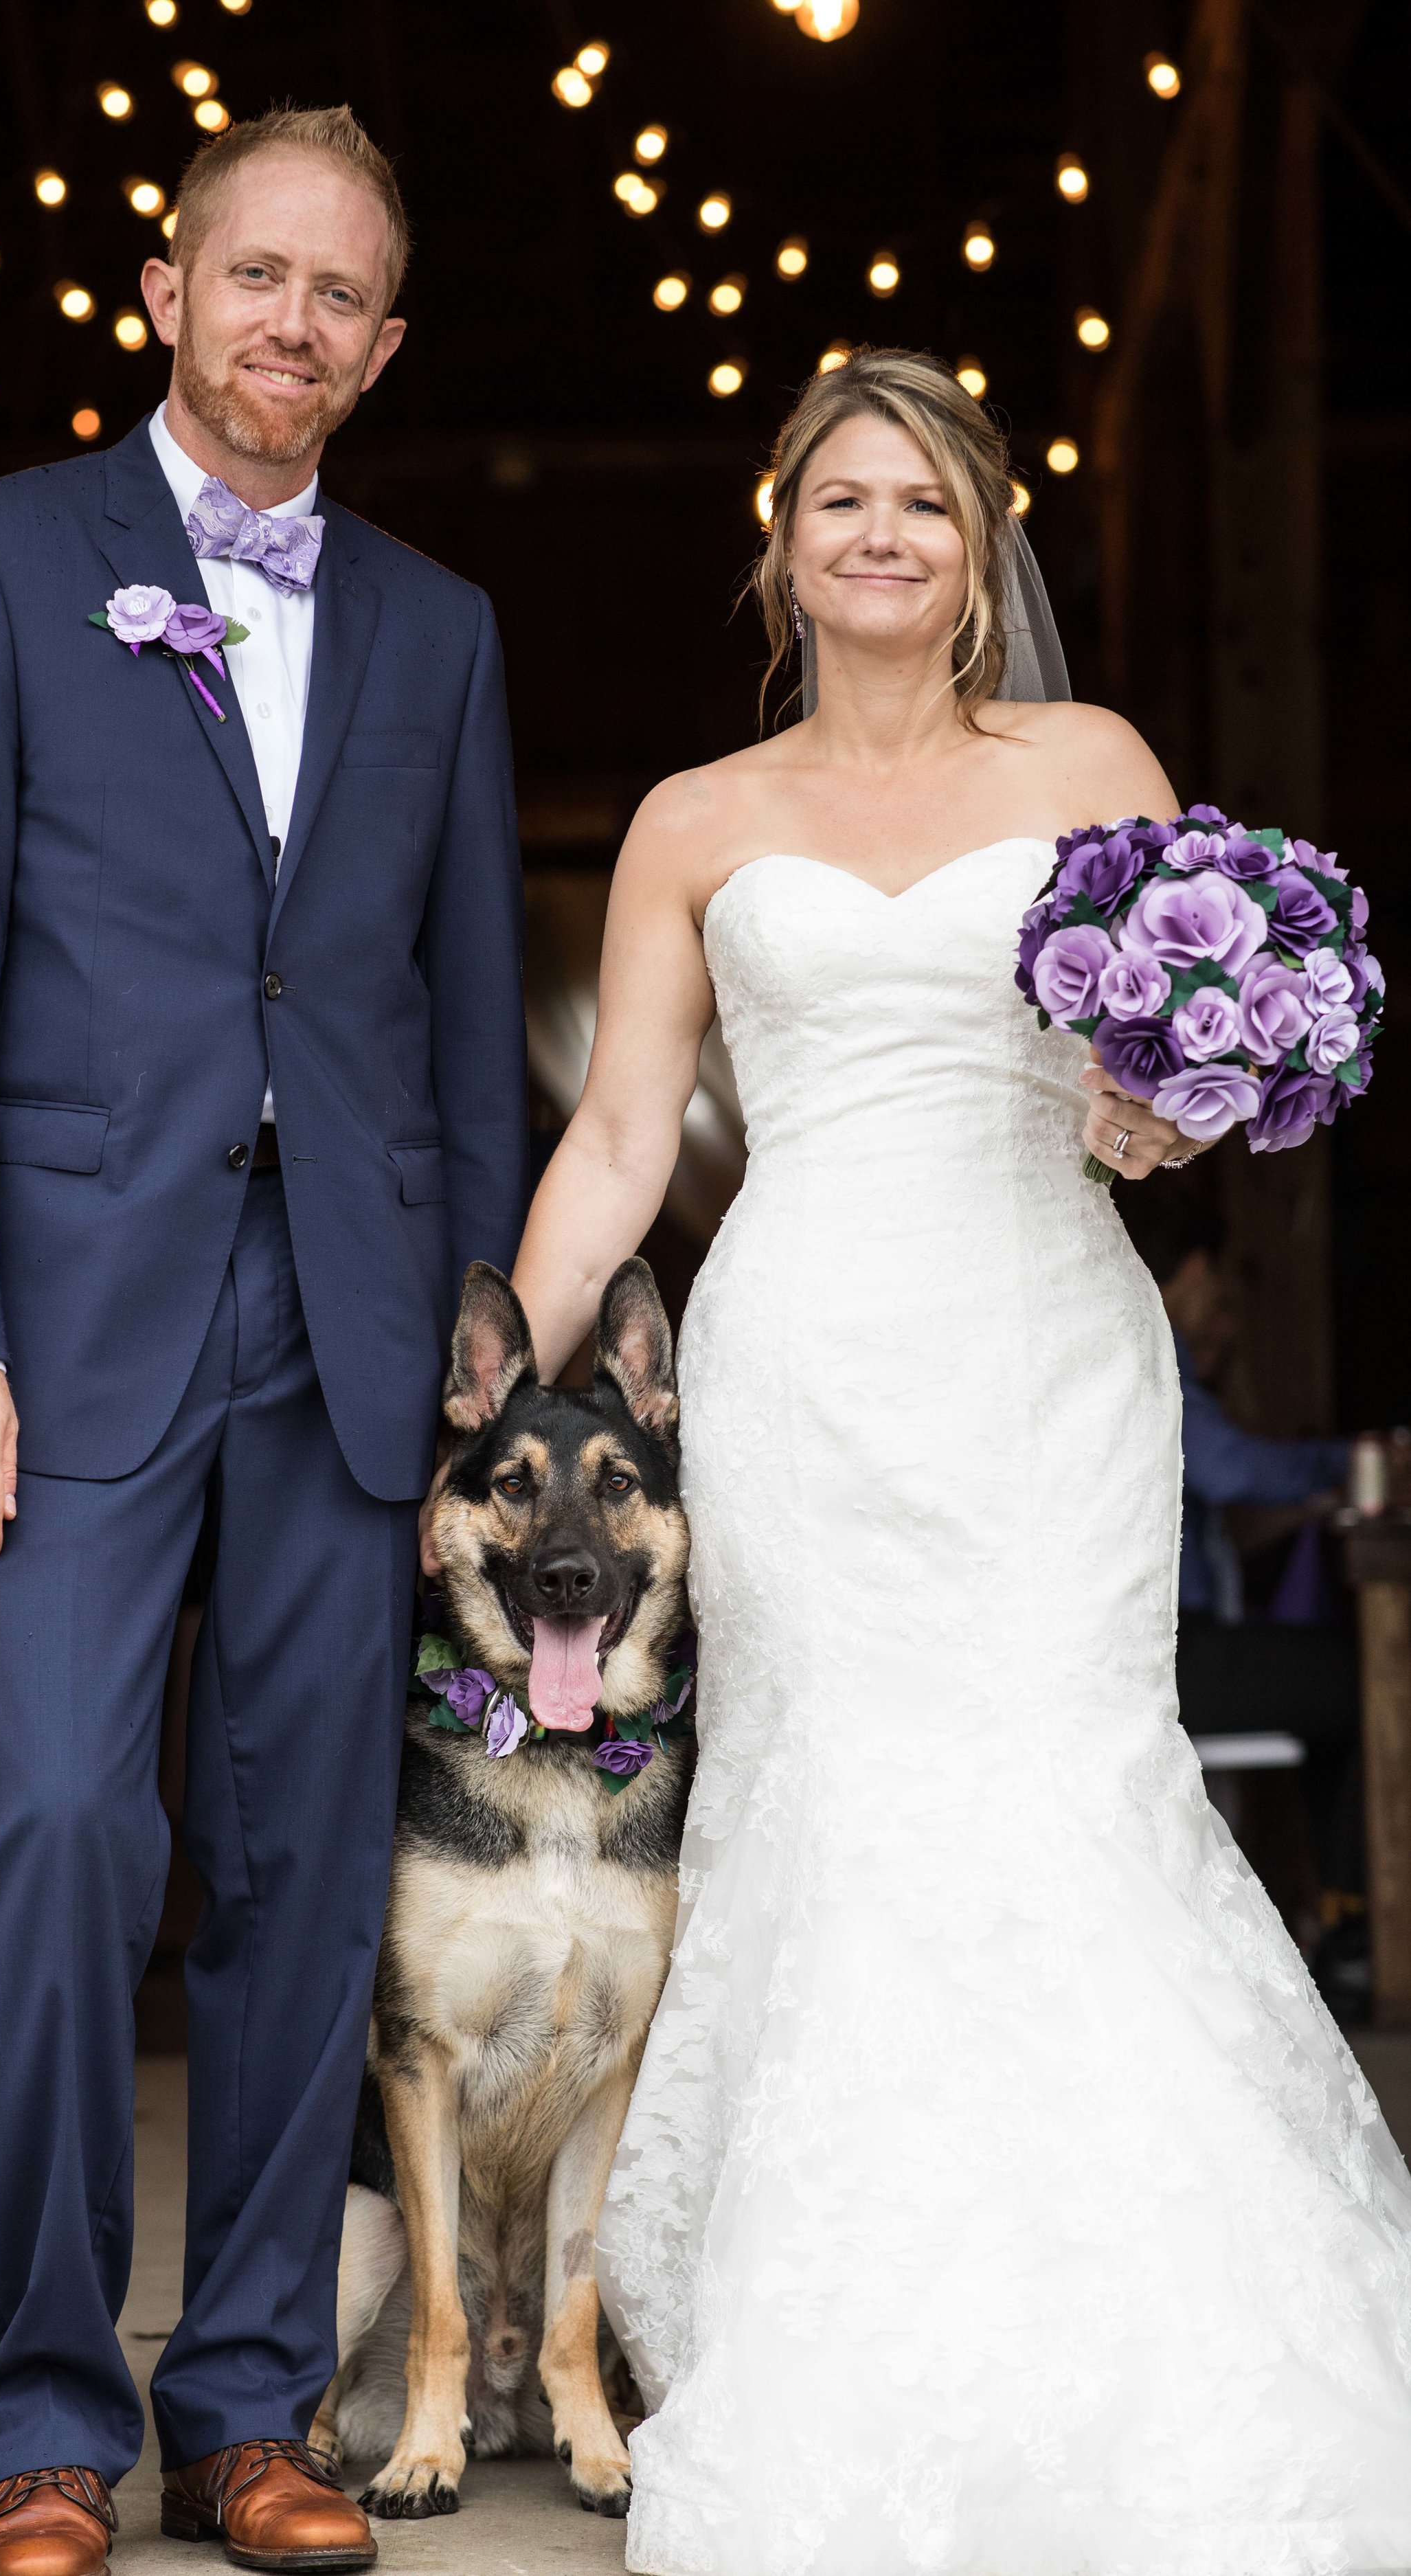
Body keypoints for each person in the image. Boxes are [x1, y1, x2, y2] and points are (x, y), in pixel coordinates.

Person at [509, 348, 1411, 2575]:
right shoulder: (697, 822)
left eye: (925, 501)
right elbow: (625, 1135)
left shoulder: (1091, 762)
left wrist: (1174, 1109)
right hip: (807, 1362)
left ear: (987, 536)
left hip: (1044, 1358)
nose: (884, 534)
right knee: (842, 1813)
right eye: (843, 501)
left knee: (1065, 1785)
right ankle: (839, 2347)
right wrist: (503, 1404)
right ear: (783, 540)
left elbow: (1160, 1059)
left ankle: (1162, 2339)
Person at [0, 108, 526, 2576]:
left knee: (301, 1864)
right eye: (255, 274)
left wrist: (477, 1305)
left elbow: (457, 1002)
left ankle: (249, 2400)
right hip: (63, 1323)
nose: (293, 324)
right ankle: (43, 2417)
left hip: (343, 1328)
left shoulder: (438, 623)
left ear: (385, 346)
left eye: (340, 297)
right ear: (162, 287)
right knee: (60, 1833)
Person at [1132, 1203, 1362, 1894]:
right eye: (1223, 1297)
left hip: (1160, 1645)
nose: (1221, 1317)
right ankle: (1356, 1925)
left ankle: (1346, 1914)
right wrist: (1355, 1457)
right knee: (1372, 1686)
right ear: (1196, 1270)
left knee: (1341, 1685)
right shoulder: (1146, 1340)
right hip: (1174, 1653)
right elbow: (1229, 1470)